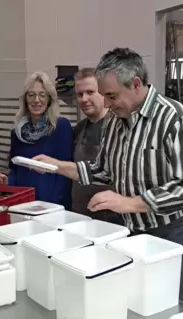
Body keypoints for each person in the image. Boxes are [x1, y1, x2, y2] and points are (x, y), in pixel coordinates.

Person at [34, 48, 183, 308]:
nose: (106, 104)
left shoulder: (175, 118)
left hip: (182, 232)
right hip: (140, 232)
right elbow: (103, 170)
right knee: (144, 305)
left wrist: (130, 203)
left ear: (136, 84)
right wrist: (57, 166)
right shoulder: (116, 122)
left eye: (111, 96)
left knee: (180, 307)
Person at [0, 71, 73, 209]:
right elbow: (15, 169)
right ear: (25, 99)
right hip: (24, 202)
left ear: (49, 99)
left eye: (42, 95)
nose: (36, 100)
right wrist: (7, 181)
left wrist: (54, 206)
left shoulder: (60, 127)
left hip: (52, 205)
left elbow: (65, 171)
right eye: (31, 95)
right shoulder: (17, 132)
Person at [72, 67, 121, 224]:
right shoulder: (78, 130)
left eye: (90, 92)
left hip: (113, 219)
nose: (84, 99)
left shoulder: (120, 127)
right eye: (80, 94)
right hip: (80, 216)